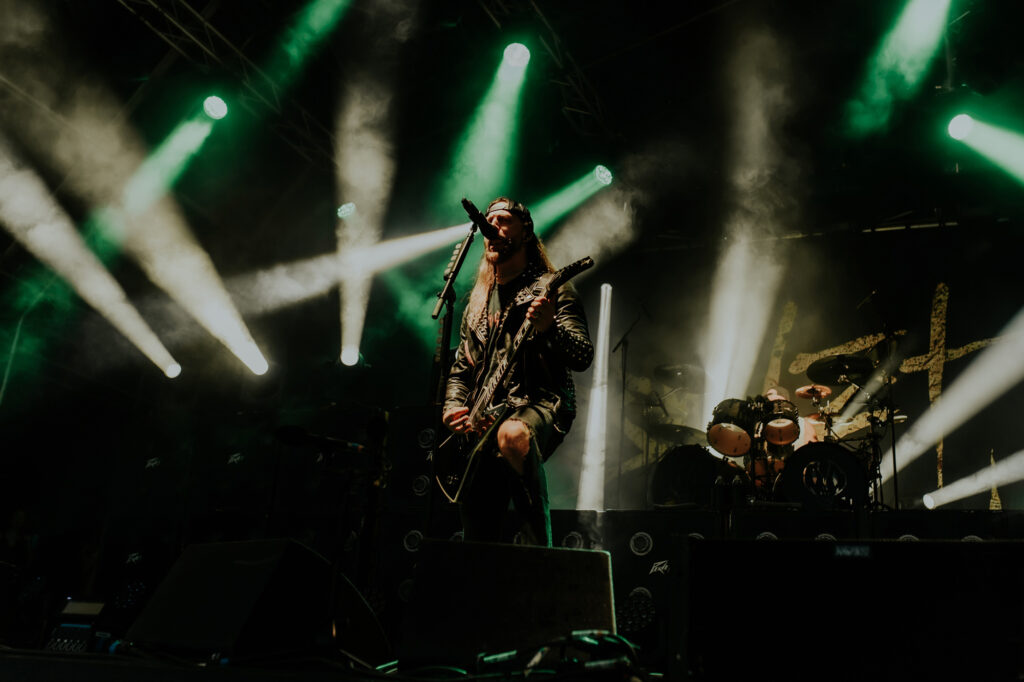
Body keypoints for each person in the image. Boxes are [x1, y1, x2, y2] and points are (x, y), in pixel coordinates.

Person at [441, 197, 593, 546]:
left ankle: (541, 554)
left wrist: (549, 328)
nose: (493, 227)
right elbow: (461, 369)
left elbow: (582, 355)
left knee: (513, 435)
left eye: (504, 219)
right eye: (489, 221)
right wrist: (453, 408)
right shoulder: (477, 304)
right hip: (482, 419)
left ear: (526, 231)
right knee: (477, 531)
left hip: (541, 401)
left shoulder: (553, 288)